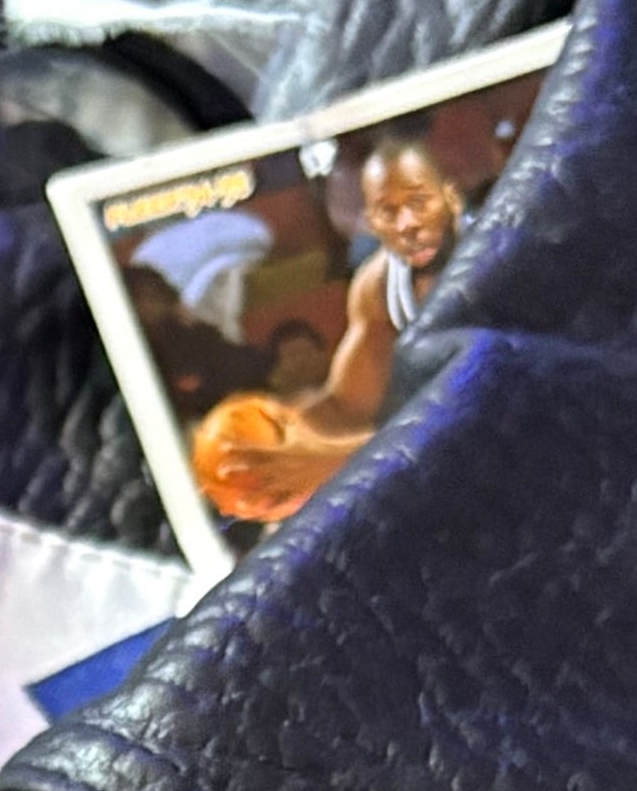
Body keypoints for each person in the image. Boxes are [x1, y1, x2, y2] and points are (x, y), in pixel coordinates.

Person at [187, 124, 471, 529]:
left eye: (418, 202)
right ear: (373, 221)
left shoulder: (498, 244)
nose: (407, 222)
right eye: (389, 212)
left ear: (450, 196)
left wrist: (334, 458)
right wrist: (268, 443)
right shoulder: (378, 288)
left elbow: (493, 407)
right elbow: (346, 407)